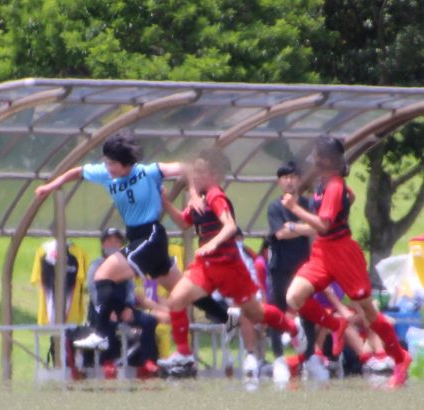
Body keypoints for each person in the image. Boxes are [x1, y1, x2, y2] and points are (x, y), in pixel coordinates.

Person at [35, 132, 201, 352]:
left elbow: (186, 168)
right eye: (106, 162)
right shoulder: (106, 174)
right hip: (138, 238)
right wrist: (50, 186)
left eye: (112, 163)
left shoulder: (147, 172)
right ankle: (229, 316)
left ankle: (102, 333)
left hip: (151, 236)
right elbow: (77, 172)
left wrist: (193, 194)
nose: (107, 167)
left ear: (126, 163)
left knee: (103, 275)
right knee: (189, 292)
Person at [157, 148, 306, 378]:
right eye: (194, 171)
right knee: (176, 300)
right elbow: (185, 223)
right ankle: (185, 355)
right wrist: (165, 202)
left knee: (255, 313)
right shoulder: (200, 198)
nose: (195, 176)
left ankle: (292, 328)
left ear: (215, 175)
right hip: (205, 266)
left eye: (201, 172)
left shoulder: (215, 195)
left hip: (228, 266)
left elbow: (229, 227)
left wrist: (213, 243)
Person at [282, 135, 411, 388]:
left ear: (326, 160)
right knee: (293, 297)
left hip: (343, 253)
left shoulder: (334, 186)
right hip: (322, 252)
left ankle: (400, 358)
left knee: (367, 310)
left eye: (316, 156)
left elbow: (324, 224)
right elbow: (349, 198)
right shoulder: (325, 183)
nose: (312, 160)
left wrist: (295, 208)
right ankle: (336, 323)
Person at [267, 160, 321, 383]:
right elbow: (280, 234)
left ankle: (310, 358)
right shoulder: (274, 207)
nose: (289, 181)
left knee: (307, 311)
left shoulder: (308, 204)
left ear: (299, 180)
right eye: (285, 177)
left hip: (303, 267)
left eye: (292, 177)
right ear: (279, 182)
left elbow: (317, 228)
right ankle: (279, 358)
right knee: (277, 312)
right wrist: (303, 228)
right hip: (280, 267)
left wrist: (292, 227)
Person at [85, 227, 160, 379]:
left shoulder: (126, 264)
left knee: (149, 321)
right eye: (109, 241)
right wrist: (107, 310)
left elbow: (130, 289)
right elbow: (94, 293)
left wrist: (128, 307)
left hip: (122, 307)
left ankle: (146, 362)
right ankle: (107, 362)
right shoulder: (96, 265)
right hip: (101, 309)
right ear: (103, 244)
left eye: (117, 241)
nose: (113, 244)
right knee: (107, 323)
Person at [30, 239, 88, 325]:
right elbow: (35, 278)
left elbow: (82, 277)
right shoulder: (42, 252)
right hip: (49, 317)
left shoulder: (79, 254)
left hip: (71, 317)